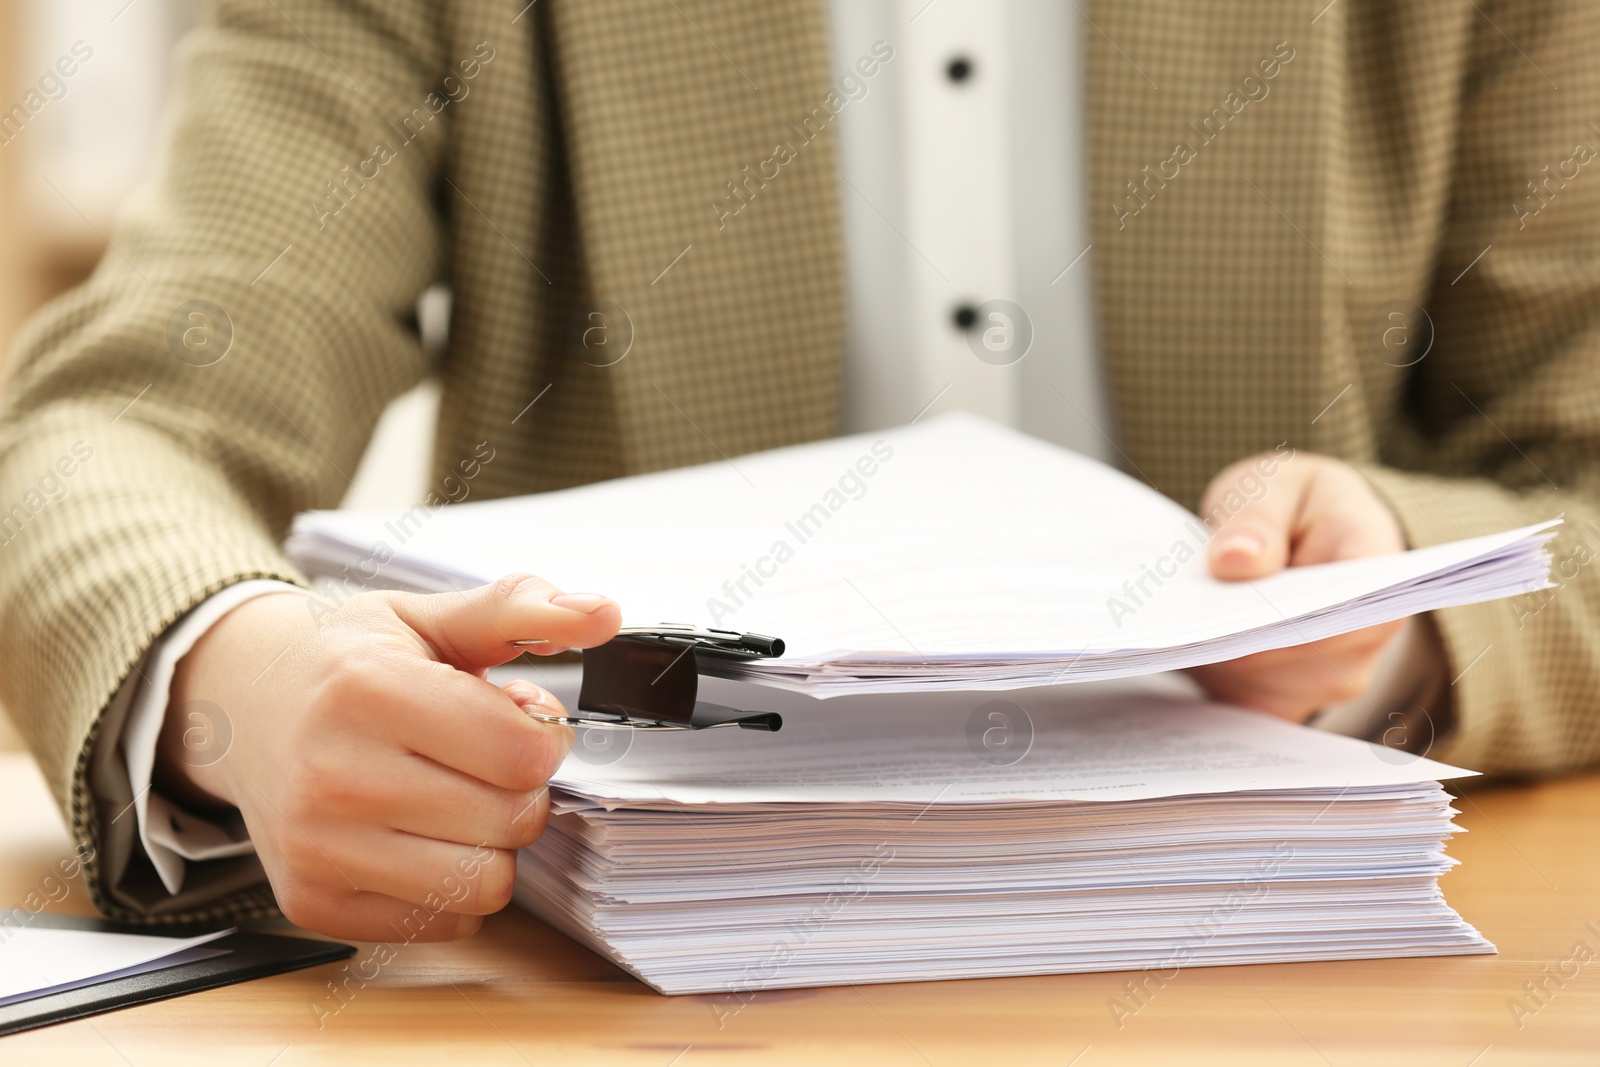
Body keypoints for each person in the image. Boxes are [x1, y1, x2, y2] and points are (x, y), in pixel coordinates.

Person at [1, 0, 1597, 943]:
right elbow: (114, 424)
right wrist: (235, 683)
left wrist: (1396, 599)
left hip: (1319, 968)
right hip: (614, 965)